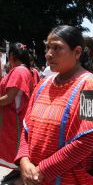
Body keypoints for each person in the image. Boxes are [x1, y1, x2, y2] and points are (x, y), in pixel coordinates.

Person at [14, 25, 93, 185]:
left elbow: (85, 143)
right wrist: (24, 161)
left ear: (77, 52)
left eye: (57, 48)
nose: (49, 54)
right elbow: (26, 128)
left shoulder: (90, 85)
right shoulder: (43, 84)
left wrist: (42, 170)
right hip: (36, 178)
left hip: (69, 179)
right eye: (47, 47)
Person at [0, 43, 39, 182]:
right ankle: (18, 171)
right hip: (20, 116)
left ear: (11, 56)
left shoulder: (18, 71)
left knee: (15, 146)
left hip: (14, 118)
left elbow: (9, 98)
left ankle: (20, 172)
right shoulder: (30, 71)